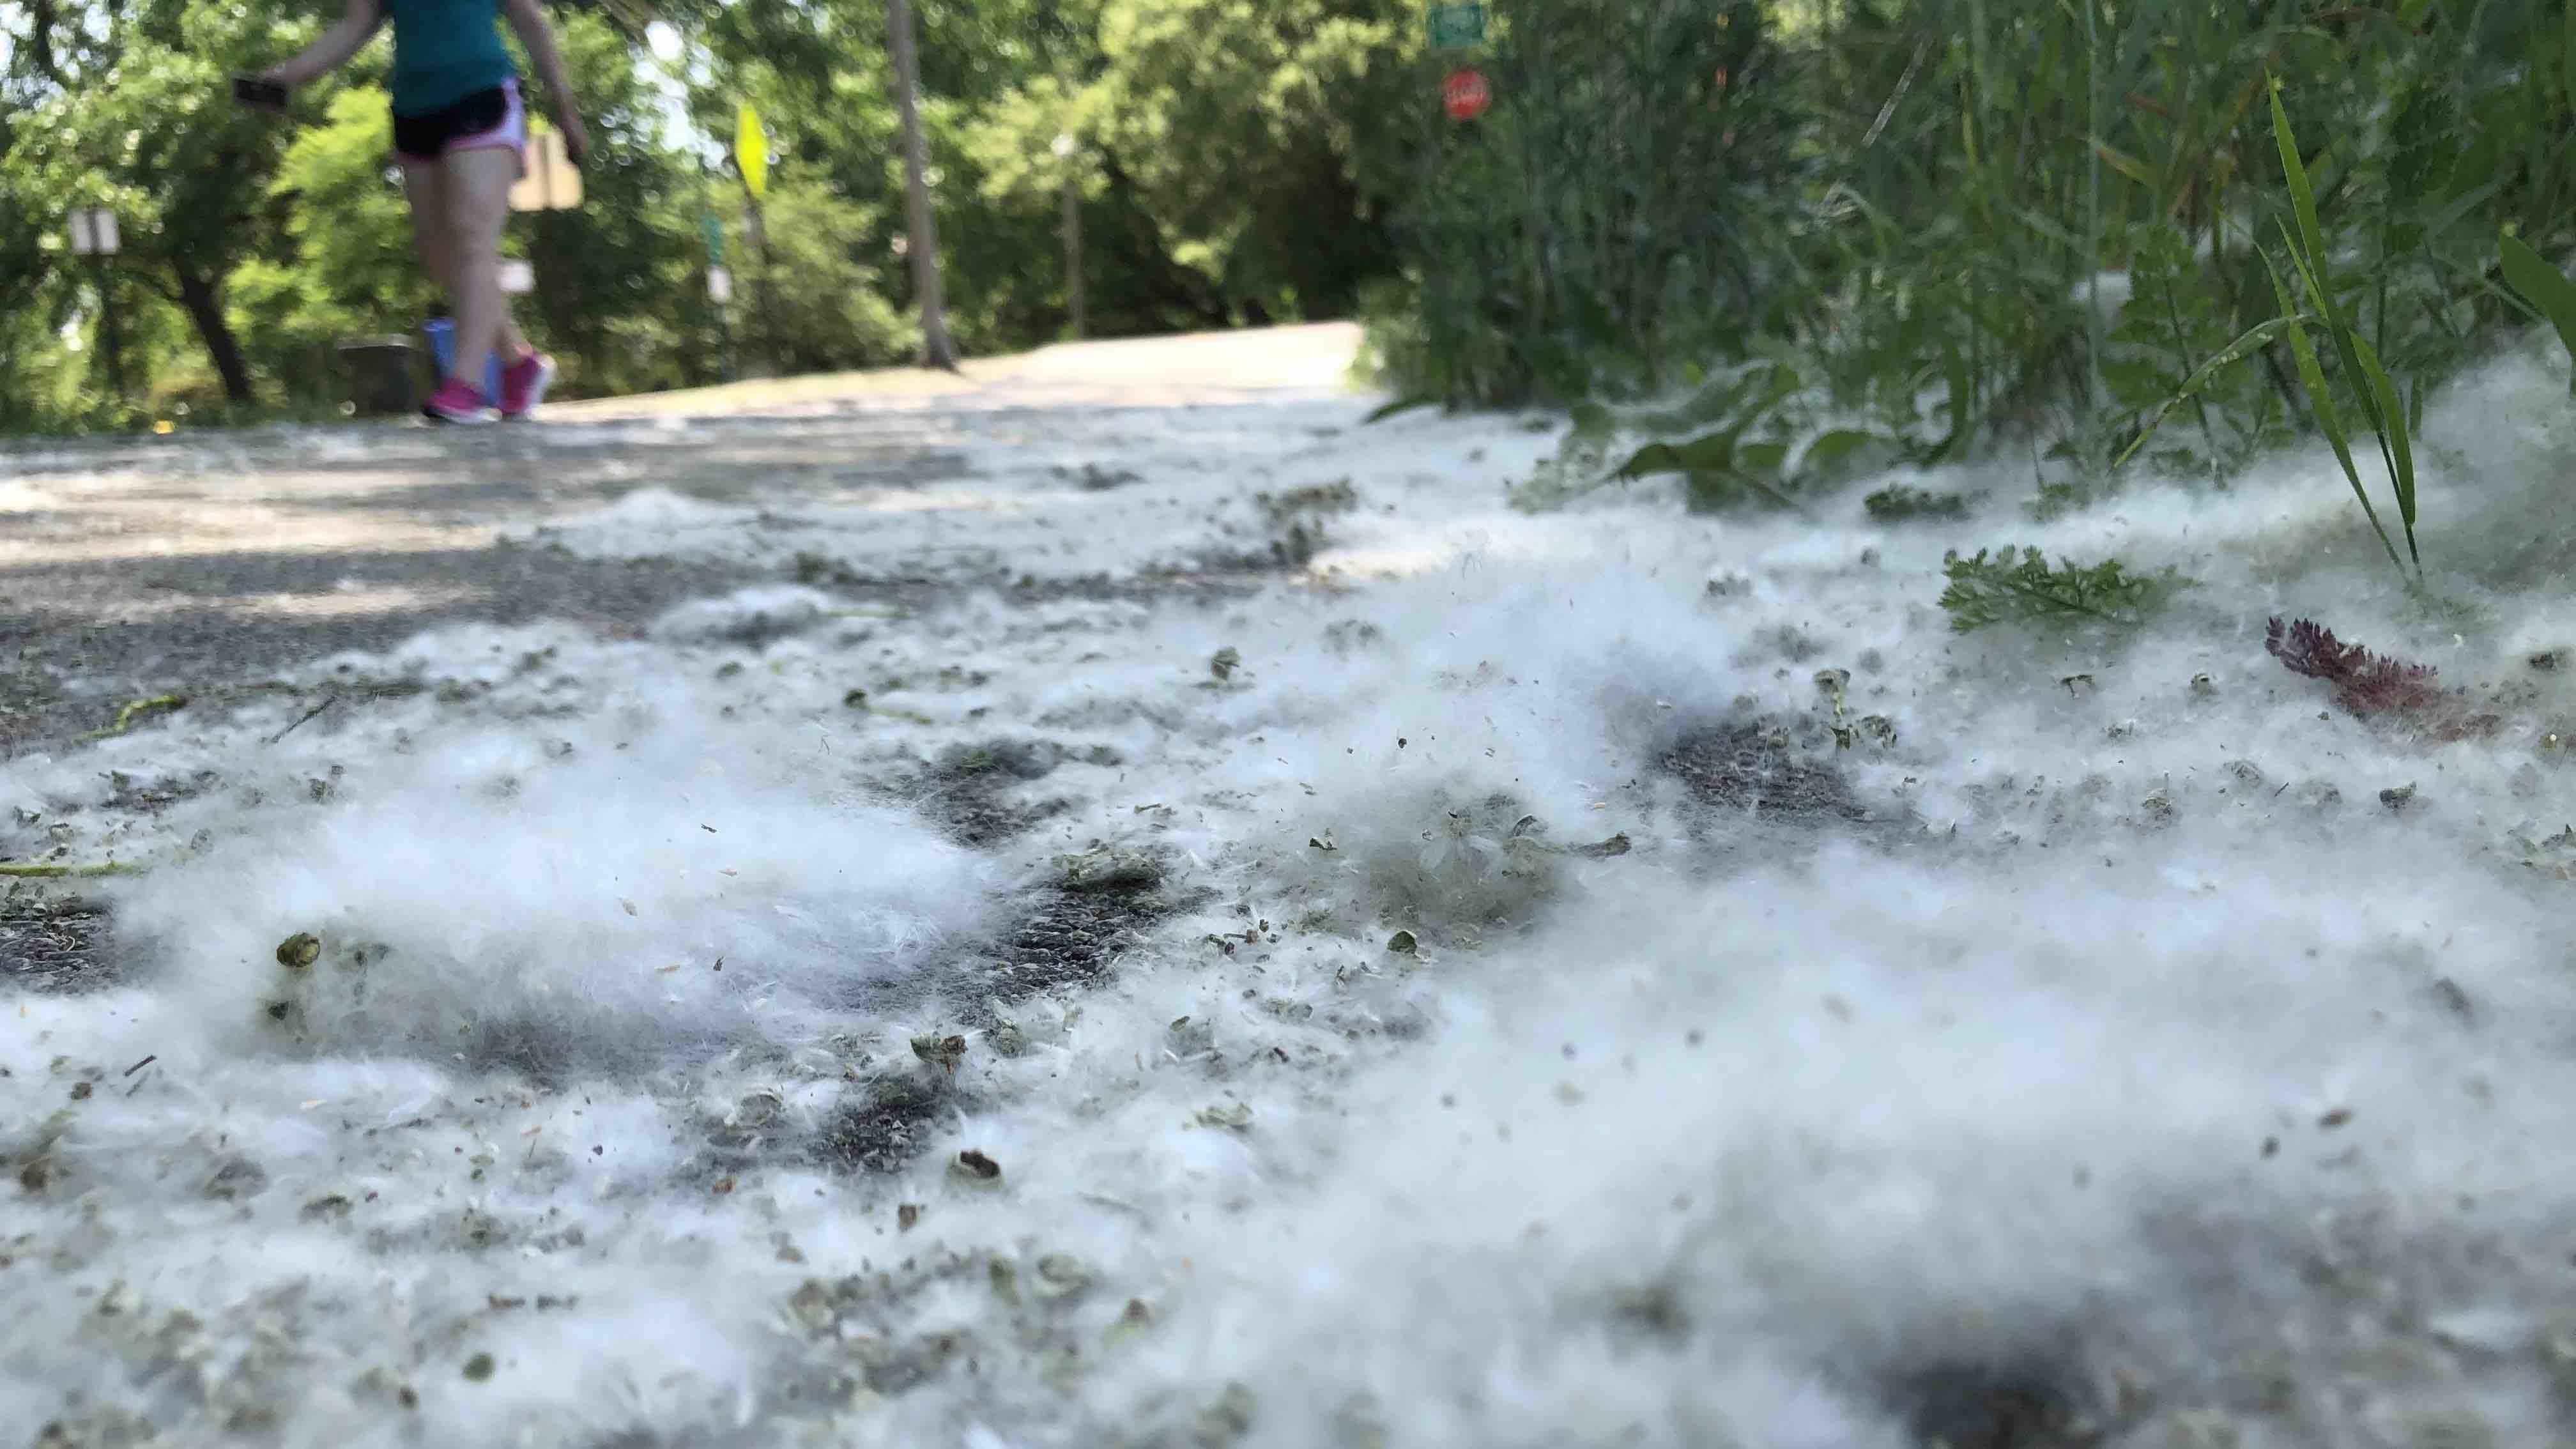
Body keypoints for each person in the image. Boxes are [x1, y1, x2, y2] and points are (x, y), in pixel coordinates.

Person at [256, 0, 588, 424]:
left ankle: (465, 384)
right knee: (439, 255)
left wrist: (565, 109)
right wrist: (291, 74)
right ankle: (517, 362)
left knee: (474, 236)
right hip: (414, 109)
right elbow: (355, 26)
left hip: (482, 94)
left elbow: (530, 20)